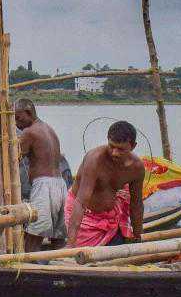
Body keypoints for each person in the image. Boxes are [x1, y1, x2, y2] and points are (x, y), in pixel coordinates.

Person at [64, 120, 145, 248]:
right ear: (107, 140)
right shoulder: (94, 160)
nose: (114, 153)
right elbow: (80, 202)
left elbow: (136, 204)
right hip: (83, 216)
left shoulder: (136, 168)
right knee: (78, 255)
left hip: (110, 218)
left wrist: (138, 237)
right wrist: (70, 244)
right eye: (111, 146)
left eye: (121, 149)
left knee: (118, 252)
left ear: (133, 146)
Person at [14, 98, 66, 251]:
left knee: (34, 233)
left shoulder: (29, 132)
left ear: (29, 113)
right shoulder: (48, 129)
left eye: (18, 118)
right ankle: (59, 265)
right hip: (60, 184)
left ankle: (26, 268)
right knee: (58, 236)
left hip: (44, 186)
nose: (16, 123)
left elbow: (13, 160)